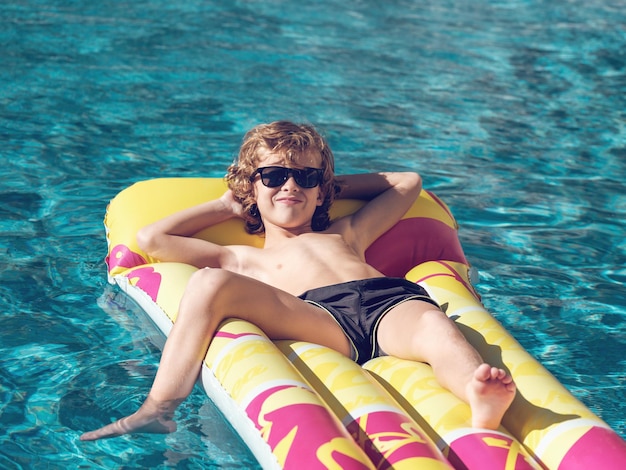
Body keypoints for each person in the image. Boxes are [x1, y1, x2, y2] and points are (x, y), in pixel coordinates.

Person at [81, 121, 515, 441]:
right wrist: (224, 204)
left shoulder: (348, 232)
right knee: (209, 283)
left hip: (388, 304)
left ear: (322, 188)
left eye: (304, 177)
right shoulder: (239, 256)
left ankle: (477, 391)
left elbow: (407, 182)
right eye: (274, 176)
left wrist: (327, 186)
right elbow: (151, 239)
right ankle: (159, 407)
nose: (290, 186)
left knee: (434, 328)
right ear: (252, 187)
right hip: (318, 315)